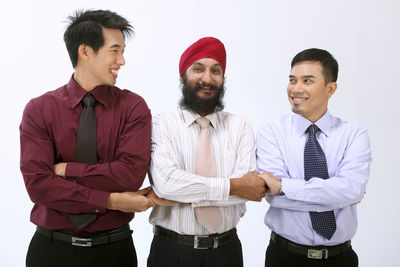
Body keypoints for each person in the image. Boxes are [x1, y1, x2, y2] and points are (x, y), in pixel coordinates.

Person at [20, 9, 161, 267]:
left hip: (114, 251)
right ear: (85, 51)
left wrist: (67, 170)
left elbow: (129, 175)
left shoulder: (133, 107)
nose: (122, 60)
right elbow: (39, 186)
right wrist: (112, 200)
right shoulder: (39, 110)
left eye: (123, 51)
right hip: (50, 252)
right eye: (115, 50)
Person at [147, 37, 267, 267]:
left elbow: (249, 190)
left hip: (226, 252)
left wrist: (186, 190)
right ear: (182, 77)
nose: (207, 79)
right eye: (198, 69)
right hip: (171, 252)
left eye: (216, 71)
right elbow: (167, 184)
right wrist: (233, 186)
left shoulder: (239, 125)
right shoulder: (160, 123)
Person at [256, 48, 372, 267]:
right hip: (284, 257)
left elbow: (352, 189)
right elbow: (274, 197)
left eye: (307, 81)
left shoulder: (354, 135)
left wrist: (284, 186)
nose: (296, 89)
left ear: (330, 88)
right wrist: (338, 197)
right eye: (292, 80)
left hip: (340, 259)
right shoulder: (271, 133)